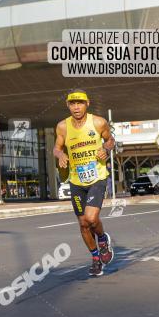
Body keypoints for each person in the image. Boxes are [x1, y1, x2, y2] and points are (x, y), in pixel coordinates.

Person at [53, 90, 116, 277]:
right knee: (83, 224)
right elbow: (56, 148)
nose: (76, 107)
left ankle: (103, 239)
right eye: (73, 104)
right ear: (68, 105)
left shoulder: (98, 122)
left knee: (91, 218)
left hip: (97, 177)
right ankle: (96, 258)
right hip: (76, 180)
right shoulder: (62, 127)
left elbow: (110, 140)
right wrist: (61, 154)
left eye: (80, 103)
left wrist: (105, 147)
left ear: (87, 103)